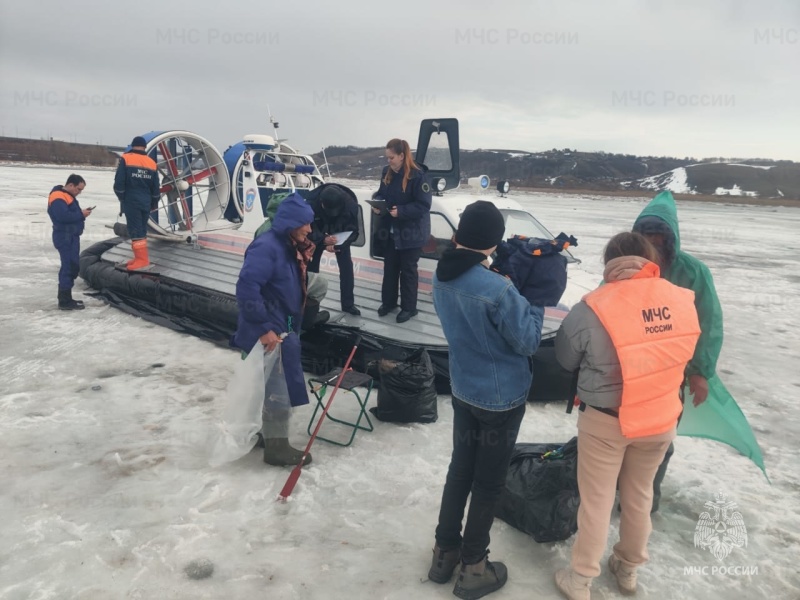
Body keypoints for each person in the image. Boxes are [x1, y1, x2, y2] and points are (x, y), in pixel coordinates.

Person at [553, 232, 700, 599]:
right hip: (661, 417)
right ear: (649, 260)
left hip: (606, 419)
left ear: (609, 263)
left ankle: (581, 579)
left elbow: (565, 359)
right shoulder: (681, 300)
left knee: (598, 501)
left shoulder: (592, 306)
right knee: (639, 496)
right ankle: (629, 568)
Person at [428, 200, 558, 600]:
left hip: (464, 390)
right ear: (492, 242)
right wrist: (532, 299)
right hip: (499, 401)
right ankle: (474, 567)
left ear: (459, 234)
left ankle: (443, 554)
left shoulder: (442, 274)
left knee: (459, 473)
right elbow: (529, 341)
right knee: (487, 483)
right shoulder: (497, 289)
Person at [632, 190, 724, 512]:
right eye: (647, 234)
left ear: (672, 237)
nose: (654, 240)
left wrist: (700, 371)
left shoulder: (693, 273)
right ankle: (620, 489)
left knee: (660, 437)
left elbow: (709, 323)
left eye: (660, 234)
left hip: (672, 375)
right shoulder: (627, 267)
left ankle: (646, 500)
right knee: (624, 434)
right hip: (631, 371)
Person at [232, 192, 316, 466]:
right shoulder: (267, 247)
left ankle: (264, 433)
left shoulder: (288, 246)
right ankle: (276, 448)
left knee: (272, 385)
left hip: (285, 325)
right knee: (277, 389)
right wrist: (263, 328)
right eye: (306, 224)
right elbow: (246, 287)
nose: (310, 230)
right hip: (269, 329)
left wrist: (292, 329)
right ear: (292, 222)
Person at [372, 138, 432, 323]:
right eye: (387, 157)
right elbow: (381, 192)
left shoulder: (418, 176)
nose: (388, 161)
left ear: (402, 156)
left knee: (408, 271)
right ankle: (388, 302)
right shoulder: (386, 172)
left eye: (391, 157)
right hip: (391, 231)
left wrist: (402, 212)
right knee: (390, 268)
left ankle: (409, 308)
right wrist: (377, 202)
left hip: (411, 233)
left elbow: (424, 204)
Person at [307, 183, 361, 315]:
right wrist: (322, 240)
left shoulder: (350, 205)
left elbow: (353, 232)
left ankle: (348, 304)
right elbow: (307, 228)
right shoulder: (311, 203)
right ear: (322, 204)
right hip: (318, 232)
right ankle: (308, 303)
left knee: (347, 267)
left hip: (339, 234)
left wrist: (337, 244)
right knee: (311, 268)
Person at [113, 136, 160, 270]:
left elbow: (119, 184)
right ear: (145, 147)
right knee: (142, 229)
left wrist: (122, 198)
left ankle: (141, 259)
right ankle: (140, 257)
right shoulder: (151, 162)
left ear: (133, 146)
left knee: (135, 230)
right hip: (146, 201)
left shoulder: (126, 159)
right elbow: (156, 188)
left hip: (131, 200)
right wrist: (153, 202)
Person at [48, 174, 91, 310]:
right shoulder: (58, 196)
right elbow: (63, 216)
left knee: (72, 267)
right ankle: (64, 301)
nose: (79, 192)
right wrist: (81, 214)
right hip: (65, 237)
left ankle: (67, 297)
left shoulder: (67, 196)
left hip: (71, 236)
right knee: (68, 267)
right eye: (78, 189)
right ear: (71, 185)